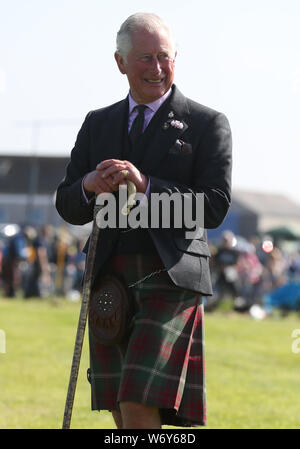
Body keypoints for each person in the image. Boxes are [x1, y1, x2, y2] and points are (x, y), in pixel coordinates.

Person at [56, 12, 232, 429]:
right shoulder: (98, 123)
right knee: (120, 407)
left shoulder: (207, 123)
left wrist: (148, 184)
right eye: (145, 58)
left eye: (164, 57)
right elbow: (67, 203)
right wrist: (89, 185)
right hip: (108, 277)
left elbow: (214, 205)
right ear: (120, 62)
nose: (157, 68)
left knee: (136, 403)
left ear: (176, 59)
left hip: (170, 277)